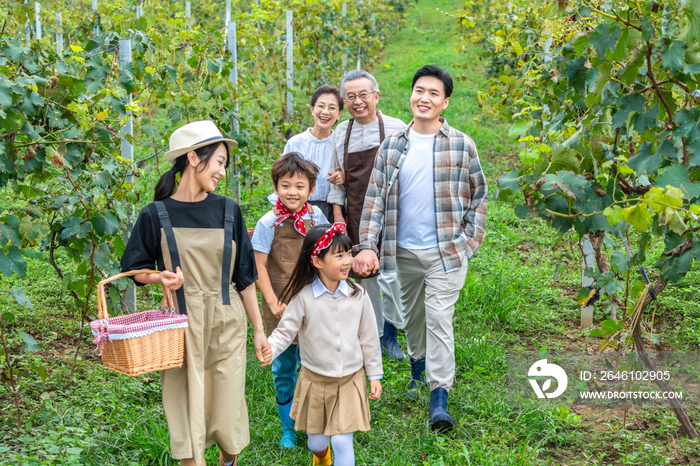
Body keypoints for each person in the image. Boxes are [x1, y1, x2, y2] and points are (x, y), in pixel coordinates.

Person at [121, 120, 270, 466]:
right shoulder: (155, 213)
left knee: (228, 413)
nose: (221, 171)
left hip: (226, 322)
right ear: (192, 157)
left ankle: (227, 460)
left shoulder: (228, 209)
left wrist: (260, 331)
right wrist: (161, 279)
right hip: (179, 326)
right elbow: (134, 270)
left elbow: (245, 276)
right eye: (218, 161)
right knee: (186, 417)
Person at [353, 65, 488, 432]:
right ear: (410, 95)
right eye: (419, 90)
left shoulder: (462, 144)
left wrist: (467, 243)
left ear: (445, 102)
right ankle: (418, 368)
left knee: (440, 318)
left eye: (433, 93)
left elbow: (479, 197)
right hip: (404, 252)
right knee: (413, 318)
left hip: (447, 252)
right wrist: (367, 245)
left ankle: (438, 397)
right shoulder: (392, 145)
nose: (424, 98)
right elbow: (374, 200)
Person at [261, 224, 383, 466]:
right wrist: (269, 349)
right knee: (316, 442)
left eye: (349, 253)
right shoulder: (303, 297)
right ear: (317, 261)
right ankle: (321, 458)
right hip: (316, 380)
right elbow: (284, 332)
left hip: (350, 379)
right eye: (339, 256)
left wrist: (375, 375)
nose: (348, 260)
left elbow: (368, 337)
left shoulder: (358, 295)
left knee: (341, 441)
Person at [250, 152, 329, 448]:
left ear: (310, 189)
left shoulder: (316, 218)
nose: (292, 192)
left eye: (299, 186)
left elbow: (326, 258)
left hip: (312, 303)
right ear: (275, 187)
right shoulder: (268, 223)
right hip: (279, 304)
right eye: (285, 185)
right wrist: (271, 302)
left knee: (313, 364)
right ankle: (287, 428)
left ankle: (311, 423)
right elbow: (259, 266)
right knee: (283, 366)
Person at [326, 69, 406, 362]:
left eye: (363, 95)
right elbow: (338, 183)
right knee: (366, 276)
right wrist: (338, 217)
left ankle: (395, 331)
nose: (357, 102)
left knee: (393, 276)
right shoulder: (341, 134)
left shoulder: (397, 128)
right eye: (350, 97)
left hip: (394, 211)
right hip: (358, 211)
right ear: (344, 102)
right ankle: (377, 331)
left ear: (376, 96)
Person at [283, 85, 345, 221]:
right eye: (320, 106)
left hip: (332, 211)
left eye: (332, 108)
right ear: (312, 109)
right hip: (296, 208)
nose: (325, 112)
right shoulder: (295, 143)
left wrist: (343, 177)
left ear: (339, 114)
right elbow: (282, 177)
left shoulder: (342, 144)